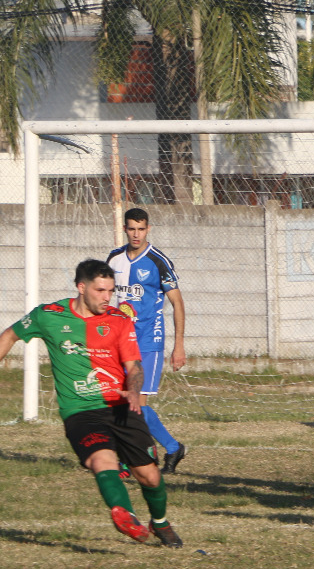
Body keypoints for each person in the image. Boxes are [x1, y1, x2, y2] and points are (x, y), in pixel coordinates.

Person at [0, 260, 183, 547]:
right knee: (102, 460)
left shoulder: (119, 320)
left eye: (110, 290)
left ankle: (159, 521)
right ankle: (125, 514)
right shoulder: (49, 315)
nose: (107, 297)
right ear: (81, 287)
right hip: (81, 411)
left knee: (149, 476)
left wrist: (134, 391)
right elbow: (10, 334)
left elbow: (134, 367)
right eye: (100, 290)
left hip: (122, 406)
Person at [107, 208, 188, 474]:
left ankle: (168, 449)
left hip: (148, 341)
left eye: (141, 229)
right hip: (121, 340)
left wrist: (178, 345)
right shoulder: (114, 259)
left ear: (148, 229)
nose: (136, 234)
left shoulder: (157, 261)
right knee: (117, 400)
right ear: (125, 229)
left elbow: (177, 303)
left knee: (137, 404)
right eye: (131, 229)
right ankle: (156, 451)